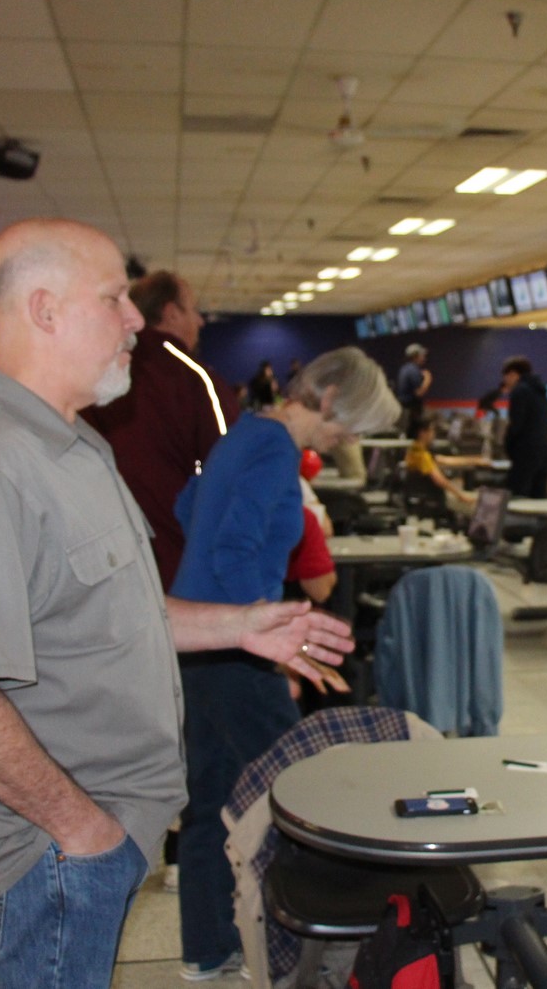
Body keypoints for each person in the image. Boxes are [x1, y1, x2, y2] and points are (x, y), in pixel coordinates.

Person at [0, 218, 354, 989]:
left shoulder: (75, 444)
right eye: (112, 298)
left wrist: (244, 627)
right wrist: (84, 831)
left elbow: (112, 611)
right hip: (44, 849)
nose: (138, 319)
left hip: (94, 832)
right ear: (44, 310)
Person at [171, 346, 399, 981]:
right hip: (238, 646)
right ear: (326, 399)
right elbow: (237, 547)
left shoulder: (242, 432)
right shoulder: (275, 450)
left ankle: (206, 947)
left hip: (198, 641)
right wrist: (276, 637)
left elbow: (188, 511)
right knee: (294, 794)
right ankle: (301, 945)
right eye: (346, 424)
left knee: (211, 796)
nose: (346, 438)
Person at [84, 269, 239, 586]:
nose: (200, 322)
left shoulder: (96, 372)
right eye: (194, 310)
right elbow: (231, 473)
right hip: (177, 559)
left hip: (100, 558)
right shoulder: (195, 379)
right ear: (170, 313)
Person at [499, 355, 547, 499]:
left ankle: (518, 523)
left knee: (517, 495)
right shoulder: (541, 391)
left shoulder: (520, 391)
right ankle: (540, 522)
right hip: (543, 449)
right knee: (538, 496)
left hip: (525, 450)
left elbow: (516, 424)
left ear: (513, 374)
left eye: (506, 377)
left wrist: (508, 445)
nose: (505, 381)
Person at [404, 417, 473, 508]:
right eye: (432, 430)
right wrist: (461, 496)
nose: (433, 434)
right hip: (433, 499)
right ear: (422, 433)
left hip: (421, 497)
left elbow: (444, 460)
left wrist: (475, 460)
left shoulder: (413, 450)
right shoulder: (423, 456)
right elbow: (440, 480)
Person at [396, 343, 432, 426]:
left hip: (404, 410)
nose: (424, 358)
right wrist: (427, 379)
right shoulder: (413, 370)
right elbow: (419, 392)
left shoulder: (404, 369)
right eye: (422, 355)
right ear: (415, 356)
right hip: (412, 411)